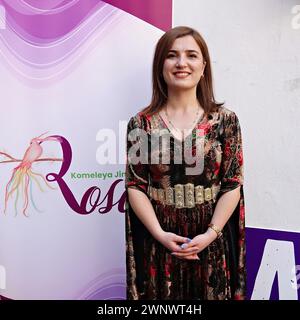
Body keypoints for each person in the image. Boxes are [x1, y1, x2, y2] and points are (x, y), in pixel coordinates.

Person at [124, 26, 245, 300]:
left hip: (210, 243)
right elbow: (135, 186)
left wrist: (211, 234)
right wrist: (160, 234)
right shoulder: (141, 124)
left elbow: (232, 184)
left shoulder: (225, 121)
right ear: (160, 66)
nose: (181, 63)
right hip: (159, 244)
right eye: (171, 55)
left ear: (203, 66)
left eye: (191, 55)